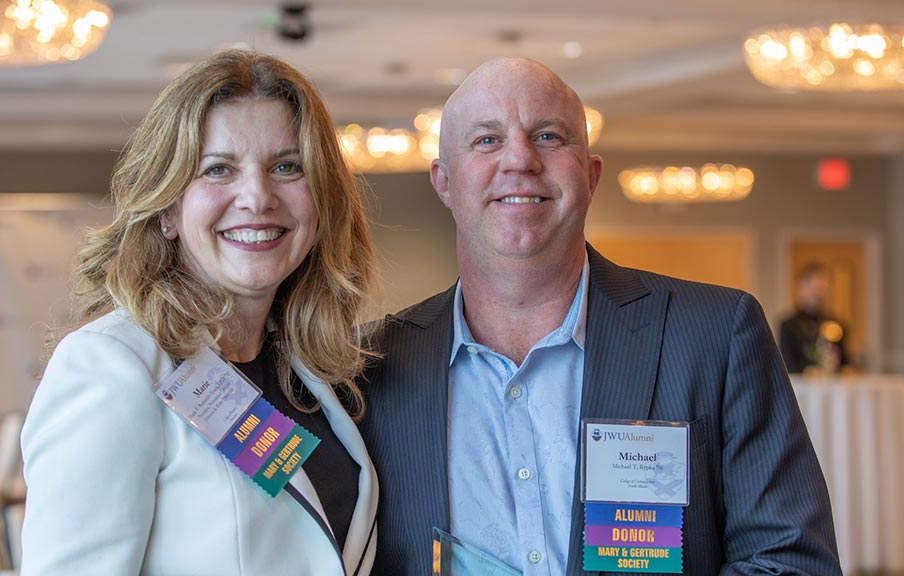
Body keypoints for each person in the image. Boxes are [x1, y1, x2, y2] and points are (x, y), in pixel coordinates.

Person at [360, 57, 840, 575]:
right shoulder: (367, 367)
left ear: (590, 177)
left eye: (547, 136)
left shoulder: (716, 335)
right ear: (445, 183)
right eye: (486, 141)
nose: (519, 159)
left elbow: (790, 561)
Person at [20, 50, 380, 575]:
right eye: (219, 170)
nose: (257, 196)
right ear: (167, 209)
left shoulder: (314, 375)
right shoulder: (113, 367)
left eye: (287, 167)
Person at [779, 262, 850, 374]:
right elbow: (786, 364)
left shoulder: (835, 324)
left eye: (822, 288)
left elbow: (844, 362)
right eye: (815, 288)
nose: (818, 294)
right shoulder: (789, 325)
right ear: (801, 288)